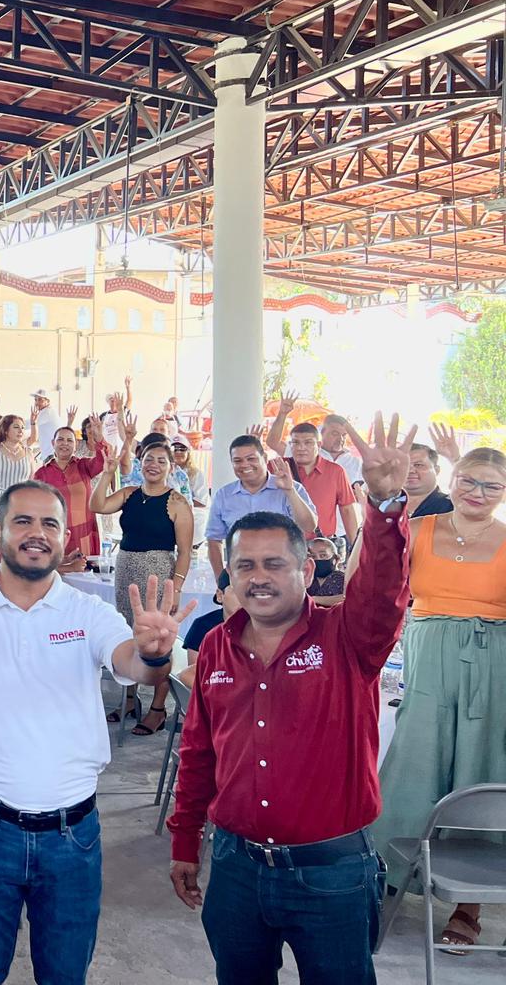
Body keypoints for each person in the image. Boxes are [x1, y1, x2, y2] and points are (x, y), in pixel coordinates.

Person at [0, 480, 191, 985]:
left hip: (73, 835)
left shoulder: (88, 612)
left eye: (50, 524)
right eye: (23, 521)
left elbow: (135, 665)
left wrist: (153, 651)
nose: (36, 534)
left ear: (65, 538)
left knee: (65, 974)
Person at [167, 415, 412, 985]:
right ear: (228, 573)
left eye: (274, 564)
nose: (259, 578)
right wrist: (184, 840)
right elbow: (199, 752)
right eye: (244, 565)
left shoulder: (349, 637)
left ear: (306, 569)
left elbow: (381, 591)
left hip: (332, 874)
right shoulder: (216, 651)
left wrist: (385, 505)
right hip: (234, 870)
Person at [372, 444, 506, 953]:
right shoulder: (418, 529)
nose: (478, 492)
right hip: (426, 660)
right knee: (414, 765)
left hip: (493, 667)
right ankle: (388, 875)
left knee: (479, 768)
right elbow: (375, 580)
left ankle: (469, 905)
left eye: (492, 485)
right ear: (452, 480)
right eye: (470, 480)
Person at [90, 439, 194, 733]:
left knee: (158, 637)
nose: (154, 465)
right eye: (149, 459)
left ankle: (158, 708)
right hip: (126, 569)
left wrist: (177, 586)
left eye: (162, 461)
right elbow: (97, 505)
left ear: (171, 467)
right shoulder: (129, 494)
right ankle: (130, 699)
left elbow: (184, 551)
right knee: (129, 632)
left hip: (159, 572)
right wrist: (108, 473)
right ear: (140, 462)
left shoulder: (177, 502)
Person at [204, 434, 316, 580]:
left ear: (264, 458)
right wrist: (222, 580)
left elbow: (309, 526)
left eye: (251, 459)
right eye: (237, 461)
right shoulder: (224, 495)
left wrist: (290, 491)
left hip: (283, 573)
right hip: (242, 575)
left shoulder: (290, 487)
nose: (244, 465)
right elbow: (214, 540)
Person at [266, 400, 358, 545]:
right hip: (283, 544)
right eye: (295, 443)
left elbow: (347, 510)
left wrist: (354, 548)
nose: (301, 447)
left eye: (308, 442)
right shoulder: (277, 467)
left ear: (318, 445)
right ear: (291, 445)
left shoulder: (336, 471)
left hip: (321, 547)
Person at [34, 421, 108, 565]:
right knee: (57, 577)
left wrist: (99, 438)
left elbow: (104, 459)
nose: (65, 443)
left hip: (83, 533)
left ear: (75, 445)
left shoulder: (84, 465)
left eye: (69, 440)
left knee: (85, 575)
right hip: (55, 534)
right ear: (52, 443)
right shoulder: (41, 474)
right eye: (60, 439)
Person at [0, 414, 35, 501]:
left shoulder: (28, 453)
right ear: (5, 430)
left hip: (19, 504)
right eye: (16, 427)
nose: (21, 431)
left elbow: (31, 481)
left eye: (23, 428)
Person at [404, 440, 453, 518]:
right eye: (405, 465)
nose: (410, 470)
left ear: (436, 470)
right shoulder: (384, 505)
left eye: (418, 465)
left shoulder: (452, 506)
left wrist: (455, 459)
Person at [319, 414, 364, 485]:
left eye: (344, 435)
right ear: (322, 432)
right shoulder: (311, 457)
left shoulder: (357, 463)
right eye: (335, 434)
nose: (341, 439)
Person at [306, 537, 346, 604]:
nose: (318, 559)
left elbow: (348, 598)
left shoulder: (343, 579)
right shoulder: (307, 579)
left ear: (336, 559)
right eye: (313, 557)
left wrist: (314, 599)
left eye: (323, 555)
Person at [171, 436, 207, 505]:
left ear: (188, 452)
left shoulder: (197, 474)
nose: (178, 452)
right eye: (174, 449)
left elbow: (201, 501)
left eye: (182, 449)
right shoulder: (163, 473)